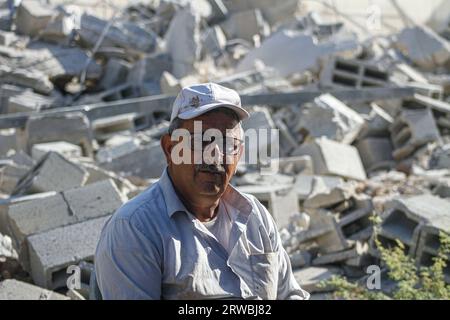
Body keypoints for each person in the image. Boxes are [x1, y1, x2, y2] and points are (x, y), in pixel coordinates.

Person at [95, 83, 309, 300]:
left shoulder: (254, 216)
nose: (214, 155)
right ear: (170, 149)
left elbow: (290, 294)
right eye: (200, 140)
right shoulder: (136, 228)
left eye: (227, 143)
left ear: (239, 153)